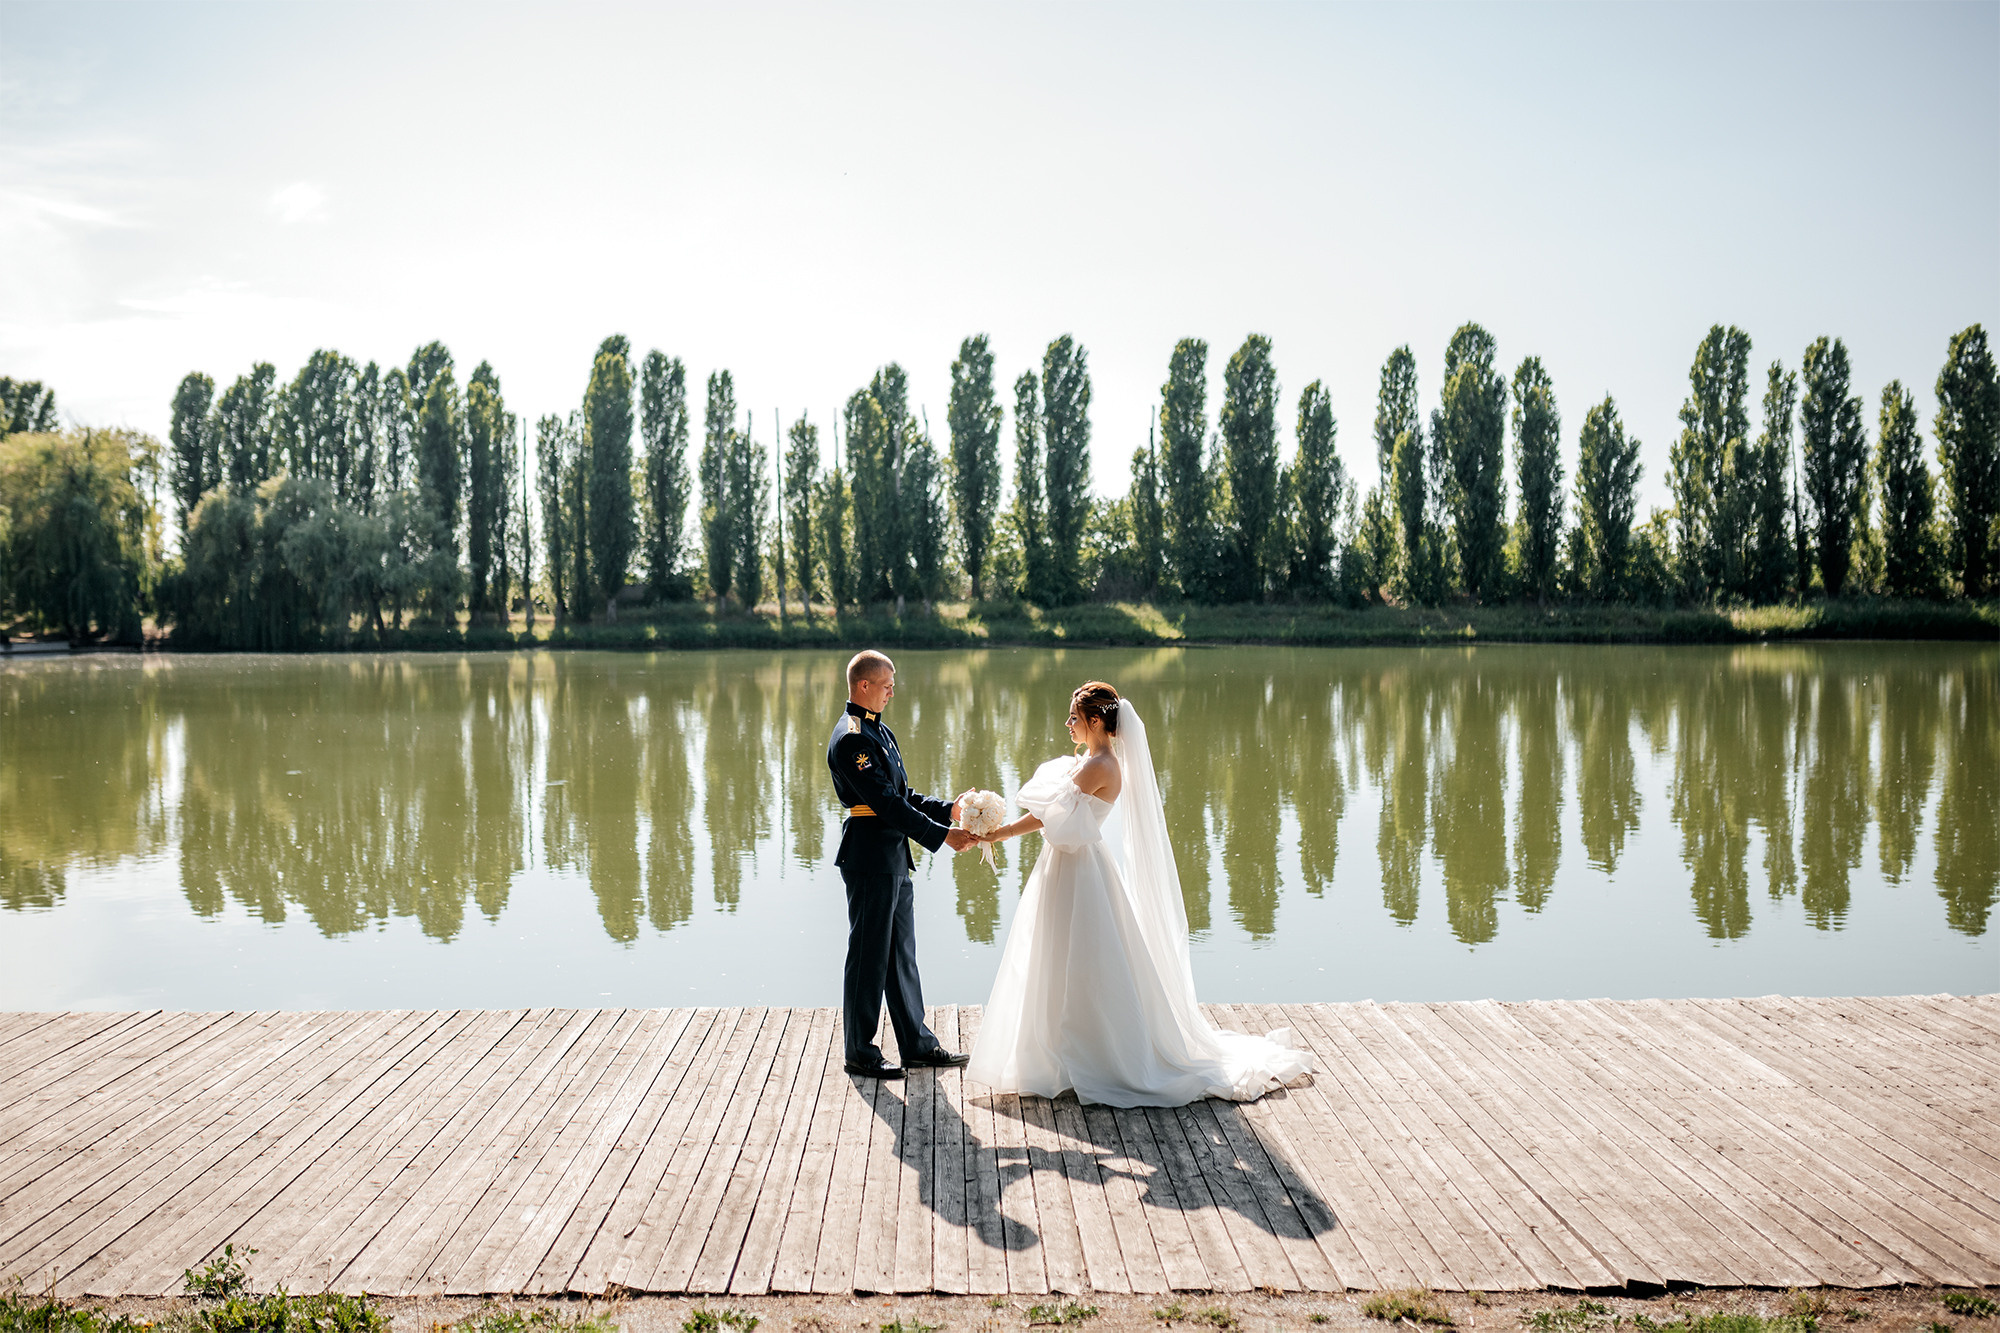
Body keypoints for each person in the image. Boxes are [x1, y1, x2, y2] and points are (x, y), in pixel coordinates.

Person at [966, 681, 1312, 1107]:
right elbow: (1047, 814)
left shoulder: (1101, 766)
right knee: (1057, 956)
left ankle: (1089, 1056)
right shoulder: (1091, 761)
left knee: (1080, 959)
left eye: (1074, 717)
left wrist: (996, 832)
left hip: (1078, 870)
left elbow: (1044, 816)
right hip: (1070, 866)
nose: (1067, 723)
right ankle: (1060, 1054)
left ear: (1096, 721)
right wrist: (995, 833)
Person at [826, 649, 977, 1080]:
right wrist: (941, 836)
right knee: (868, 956)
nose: (893, 692)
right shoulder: (853, 737)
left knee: (900, 955)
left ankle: (916, 1044)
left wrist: (949, 810)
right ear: (864, 685)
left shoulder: (878, 731)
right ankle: (860, 1051)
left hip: (892, 856)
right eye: (887, 685)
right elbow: (885, 804)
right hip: (870, 858)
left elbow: (903, 795)